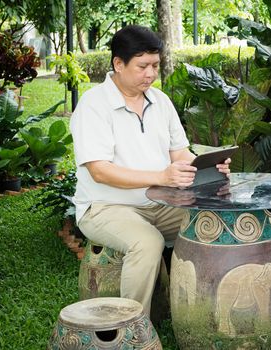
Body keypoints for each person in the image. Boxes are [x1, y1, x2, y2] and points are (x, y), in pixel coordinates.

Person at [70, 25, 230, 315]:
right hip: (105, 207)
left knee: (212, 221)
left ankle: (203, 312)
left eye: (155, 65)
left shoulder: (161, 102)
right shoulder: (93, 105)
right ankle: (133, 329)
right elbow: (100, 172)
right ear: (118, 64)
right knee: (147, 241)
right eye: (143, 66)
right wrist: (161, 177)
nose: (151, 74)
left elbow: (179, 152)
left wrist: (207, 165)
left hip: (163, 202)